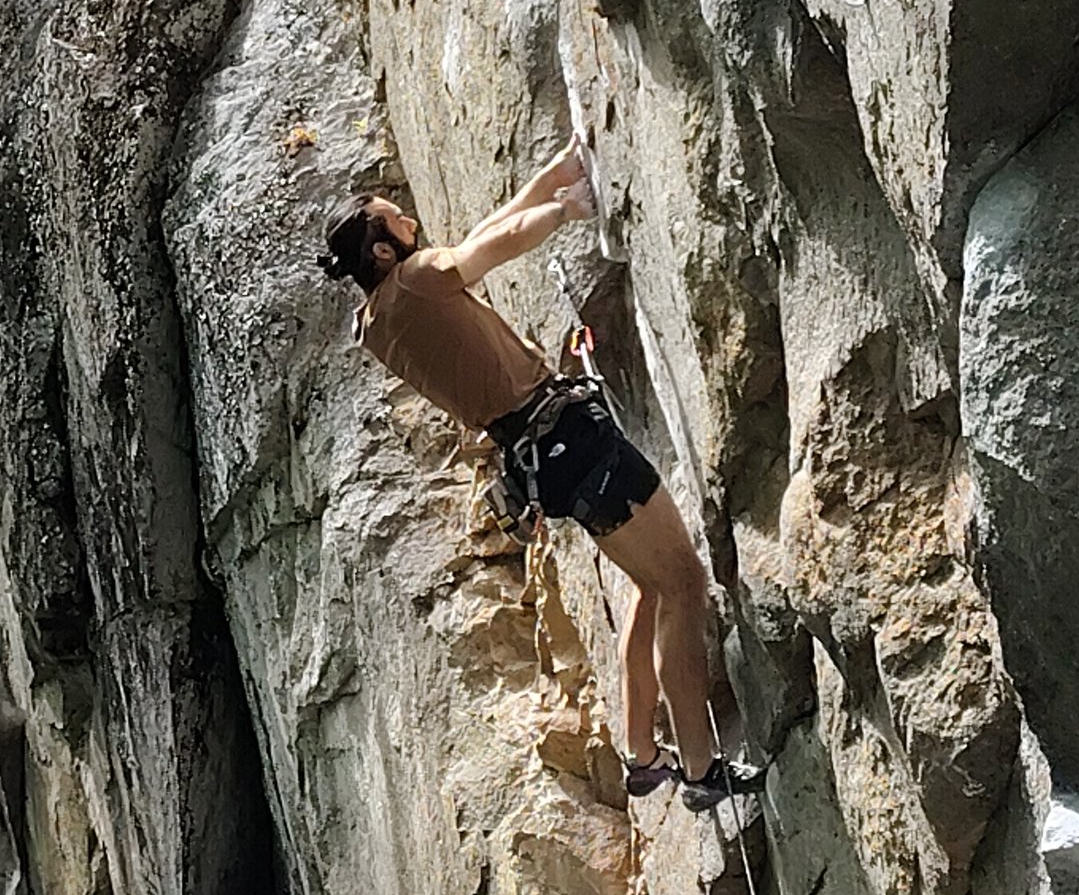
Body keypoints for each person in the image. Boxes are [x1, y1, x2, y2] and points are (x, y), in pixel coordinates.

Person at [320, 148, 760, 811]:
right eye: (396, 219)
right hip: (570, 442)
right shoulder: (411, 282)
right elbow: (488, 251)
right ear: (383, 252)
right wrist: (563, 208)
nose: (408, 217)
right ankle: (699, 770)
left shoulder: (382, 320)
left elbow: (473, 243)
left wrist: (547, 179)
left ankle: (642, 753)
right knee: (683, 583)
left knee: (650, 584)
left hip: (544, 454)